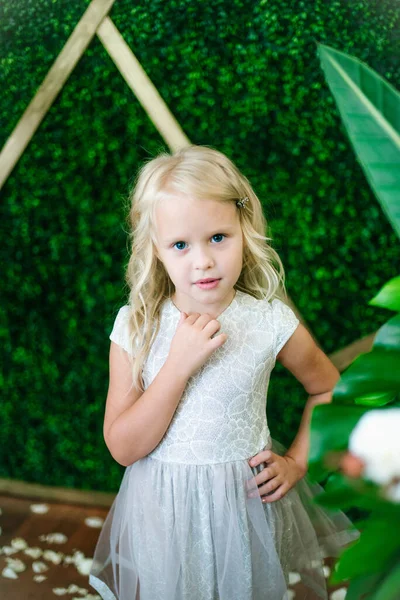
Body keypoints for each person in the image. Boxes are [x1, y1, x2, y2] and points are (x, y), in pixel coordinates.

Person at [89, 145, 359, 600]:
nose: (204, 260)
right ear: (156, 250)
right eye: (180, 245)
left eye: (218, 237)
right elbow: (122, 447)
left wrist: (296, 461)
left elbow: (329, 387)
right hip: (163, 512)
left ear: (244, 228)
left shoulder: (269, 321)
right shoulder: (137, 326)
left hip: (243, 509)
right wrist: (177, 366)